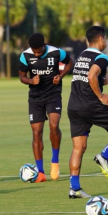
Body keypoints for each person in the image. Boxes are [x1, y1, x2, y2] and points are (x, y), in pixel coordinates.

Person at [19, 33, 73, 182]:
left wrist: (60, 76)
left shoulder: (56, 52)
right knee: (37, 133)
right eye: (34, 52)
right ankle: (41, 172)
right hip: (35, 98)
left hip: (53, 95)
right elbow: (22, 76)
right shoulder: (25, 56)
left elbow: (70, 62)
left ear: (44, 45)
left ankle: (55, 162)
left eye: (39, 51)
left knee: (54, 125)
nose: (36, 54)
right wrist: (31, 80)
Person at [68, 25, 108, 199]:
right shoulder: (102, 57)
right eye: (105, 38)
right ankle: (104, 155)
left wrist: (101, 85)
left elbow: (102, 79)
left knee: (78, 148)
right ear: (101, 39)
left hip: (74, 106)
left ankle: (74, 188)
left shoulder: (82, 56)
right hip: (90, 105)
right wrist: (100, 96)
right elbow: (92, 76)